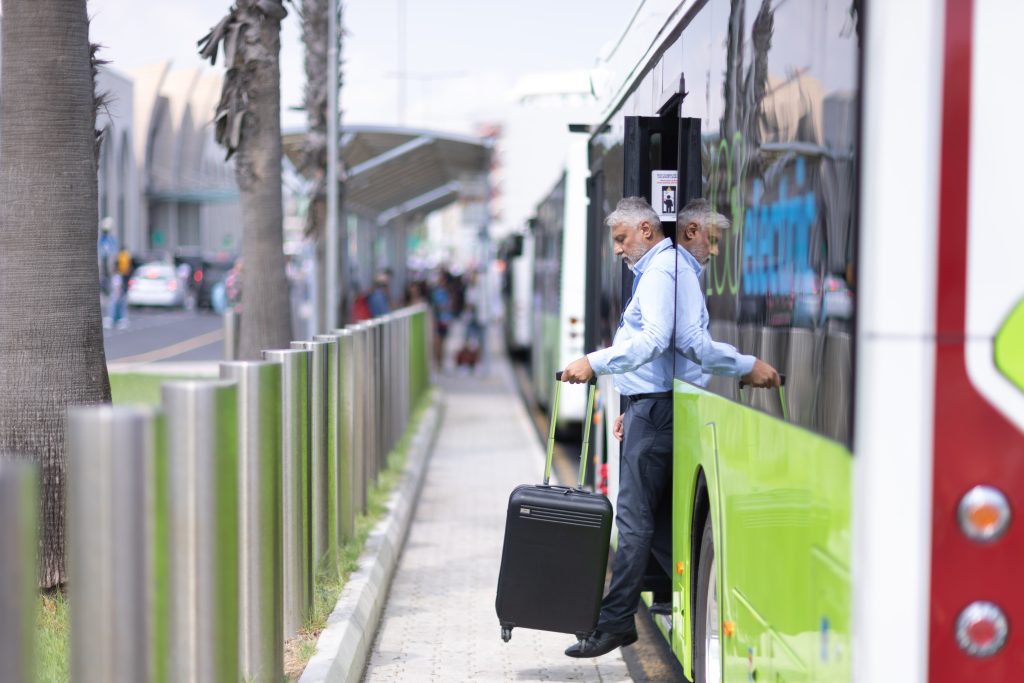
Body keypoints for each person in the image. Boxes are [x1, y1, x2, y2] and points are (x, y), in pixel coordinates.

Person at [559, 196, 778, 658]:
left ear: (646, 229)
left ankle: (616, 621)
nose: (617, 250)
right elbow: (667, 348)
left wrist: (594, 364)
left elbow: (665, 339)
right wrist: (634, 400)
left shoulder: (664, 271)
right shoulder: (667, 271)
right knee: (657, 525)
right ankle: (697, 596)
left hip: (656, 412)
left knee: (634, 522)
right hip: (651, 408)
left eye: (621, 239)